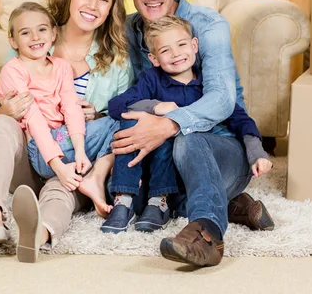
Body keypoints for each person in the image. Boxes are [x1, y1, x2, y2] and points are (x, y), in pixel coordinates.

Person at [111, 0, 274, 267]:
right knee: (118, 163)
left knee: (187, 140)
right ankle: (229, 203)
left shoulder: (208, 25)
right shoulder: (127, 29)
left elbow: (224, 100)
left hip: (219, 145)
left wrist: (169, 123)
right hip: (162, 153)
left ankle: (207, 235)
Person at [0, 0, 132, 263]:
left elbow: (119, 118)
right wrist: (5, 111)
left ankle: (38, 236)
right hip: (28, 154)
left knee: (62, 191)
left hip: (74, 161)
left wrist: (98, 115)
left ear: (112, 7)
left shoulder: (116, 59)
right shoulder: (34, 34)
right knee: (2, 123)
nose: (92, 5)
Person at [102, 15, 272, 235]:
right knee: (132, 122)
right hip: (158, 170)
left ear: (194, 45)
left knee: (183, 139)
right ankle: (126, 202)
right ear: (154, 58)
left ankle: (212, 208)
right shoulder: (151, 80)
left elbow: (240, 119)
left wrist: (257, 153)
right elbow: (116, 105)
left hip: (191, 166)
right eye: (165, 50)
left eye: (182, 45)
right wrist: (154, 106)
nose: (176, 54)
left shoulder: (207, 86)